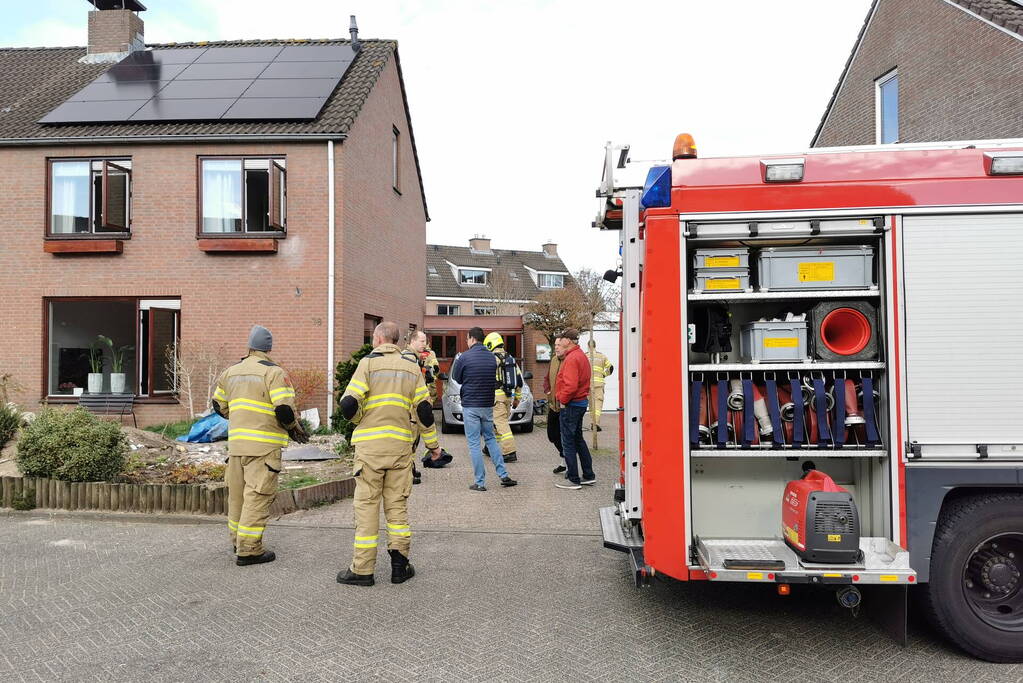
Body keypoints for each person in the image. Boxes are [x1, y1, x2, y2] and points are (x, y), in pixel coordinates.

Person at [336, 322, 442, 587]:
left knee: (367, 508)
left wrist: (359, 419)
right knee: (397, 508)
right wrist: (433, 447)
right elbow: (425, 411)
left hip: (369, 451)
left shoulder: (367, 364)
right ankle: (399, 566)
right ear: (396, 341)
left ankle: (362, 570)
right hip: (399, 450)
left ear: (379, 338)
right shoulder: (411, 368)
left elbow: (348, 404)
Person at [212, 325, 309, 566]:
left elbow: (218, 405)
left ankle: (237, 540)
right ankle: (249, 549)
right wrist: (293, 427)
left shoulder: (231, 371)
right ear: (269, 348)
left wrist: (240, 419)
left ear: (250, 345)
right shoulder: (274, 372)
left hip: (236, 448)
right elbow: (284, 409)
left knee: (237, 497)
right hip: (263, 449)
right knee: (257, 496)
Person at [450, 327, 518, 492]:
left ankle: (480, 482)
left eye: (467, 339)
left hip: (471, 406)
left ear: (472, 339)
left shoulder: (464, 357)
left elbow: (456, 378)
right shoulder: (491, 357)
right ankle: (503, 475)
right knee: (491, 439)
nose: (467, 342)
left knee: (474, 444)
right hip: (488, 405)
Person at [554, 329, 595, 490]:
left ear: (568, 341)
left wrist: (562, 400)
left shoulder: (571, 358)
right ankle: (588, 475)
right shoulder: (581, 356)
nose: (560, 341)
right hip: (580, 404)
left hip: (571, 405)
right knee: (578, 439)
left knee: (568, 442)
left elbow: (570, 386)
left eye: (562, 338)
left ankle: (573, 479)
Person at [405, 330, 452, 473]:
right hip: (412, 406)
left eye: (425, 341)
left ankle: (410, 469)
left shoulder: (423, 356)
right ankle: (408, 470)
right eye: (421, 341)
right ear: (412, 341)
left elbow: (435, 370)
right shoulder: (407, 358)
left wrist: (431, 371)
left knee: (415, 438)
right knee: (411, 439)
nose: (424, 344)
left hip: (422, 400)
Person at [482, 332, 523, 462]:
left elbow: (485, 379)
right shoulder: (510, 359)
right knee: (495, 424)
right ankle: (489, 447)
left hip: (495, 398)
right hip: (507, 397)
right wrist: (517, 398)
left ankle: (510, 452)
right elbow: (519, 381)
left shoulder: (491, 359)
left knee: (502, 425)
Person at [544, 346, 566, 474]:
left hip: (564, 405)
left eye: (559, 345)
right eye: (556, 346)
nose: (556, 348)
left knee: (567, 436)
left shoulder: (568, 360)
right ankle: (564, 458)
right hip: (553, 404)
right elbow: (547, 378)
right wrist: (547, 389)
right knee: (552, 434)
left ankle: (567, 463)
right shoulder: (553, 360)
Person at [586, 339, 614, 431]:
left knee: (591, 405)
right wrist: (604, 375)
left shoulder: (584, 356)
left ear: (588, 346)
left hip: (588, 385)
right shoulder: (602, 356)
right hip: (599, 384)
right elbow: (611, 368)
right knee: (598, 404)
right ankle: (595, 423)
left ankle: (593, 423)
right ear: (595, 346)